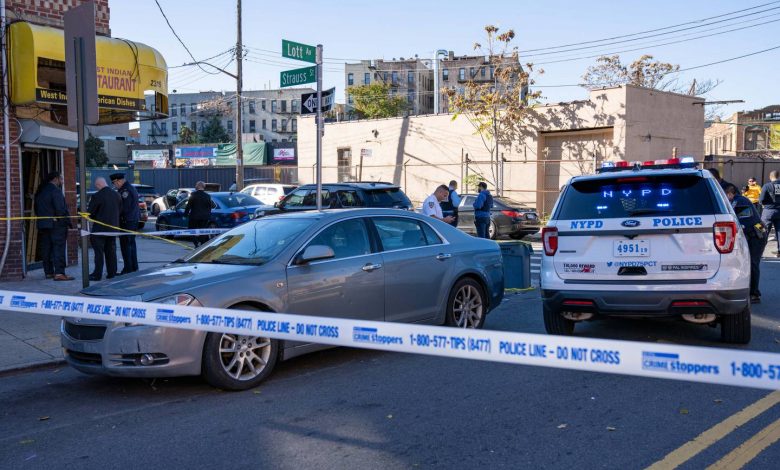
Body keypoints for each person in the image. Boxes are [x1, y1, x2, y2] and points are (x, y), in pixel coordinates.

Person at [724, 184, 766, 303]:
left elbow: (742, 222)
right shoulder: (735, 201)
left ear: (730, 194)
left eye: (725, 196)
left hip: (756, 236)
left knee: (753, 263)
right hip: (751, 234)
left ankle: (754, 294)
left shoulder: (740, 202)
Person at [34, 171, 74, 281]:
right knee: (58, 248)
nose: (62, 181)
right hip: (56, 225)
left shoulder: (40, 191)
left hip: (43, 224)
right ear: (56, 179)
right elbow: (60, 209)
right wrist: (66, 221)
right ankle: (59, 273)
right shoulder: (55, 191)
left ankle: (49, 272)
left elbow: (36, 209)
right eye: (61, 179)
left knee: (46, 248)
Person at [87, 177, 121, 281]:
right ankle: (112, 273)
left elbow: (90, 213)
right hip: (113, 229)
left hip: (99, 230)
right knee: (111, 252)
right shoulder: (117, 195)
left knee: (99, 253)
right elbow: (120, 210)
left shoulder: (97, 196)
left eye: (96, 186)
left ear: (98, 185)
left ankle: (97, 274)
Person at [110, 173, 140, 274]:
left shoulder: (125, 191)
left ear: (119, 180)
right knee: (131, 244)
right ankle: (133, 267)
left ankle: (128, 268)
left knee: (126, 245)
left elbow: (124, 208)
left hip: (127, 221)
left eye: (114, 183)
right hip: (132, 220)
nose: (115, 185)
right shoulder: (130, 188)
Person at [184, 181, 213, 247]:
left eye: (196, 185)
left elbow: (189, 205)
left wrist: (185, 214)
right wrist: (208, 215)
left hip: (194, 217)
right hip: (204, 217)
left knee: (191, 230)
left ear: (199, 186)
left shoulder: (193, 194)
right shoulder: (207, 196)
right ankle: (202, 244)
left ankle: (196, 243)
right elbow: (209, 206)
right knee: (203, 231)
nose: (195, 186)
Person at [759, 170, 780, 257]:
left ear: (770, 177)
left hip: (768, 212)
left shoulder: (767, 186)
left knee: (763, 231)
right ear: (778, 176)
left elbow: (761, 200)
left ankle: (759, 252)